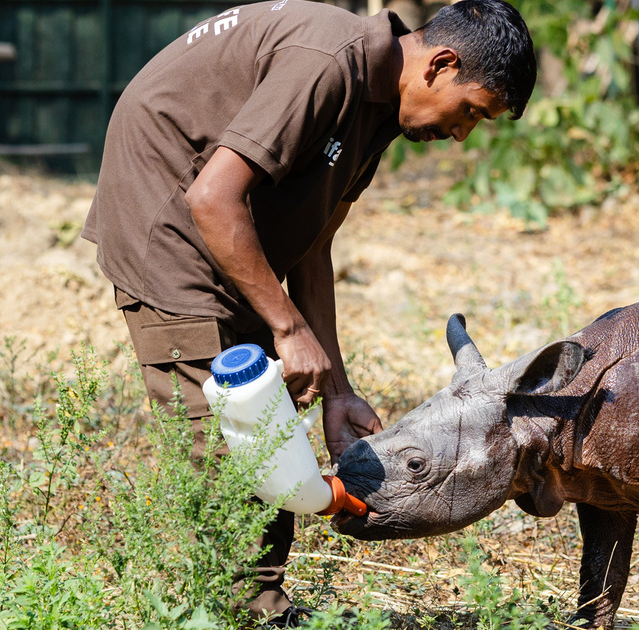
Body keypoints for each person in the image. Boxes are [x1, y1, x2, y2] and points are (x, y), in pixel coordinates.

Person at [81, 0, 536, 624]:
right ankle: (246, 609)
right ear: (441, 64)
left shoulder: (381, 108)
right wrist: (288, 327)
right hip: (169, 219)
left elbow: (314, 243)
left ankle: (260, 603)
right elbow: (212, 198)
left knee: (267, 413)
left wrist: (336, 392)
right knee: (222, 434)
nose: (461, 136)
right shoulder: (329, 62)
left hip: (234, 229)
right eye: (470, 113)